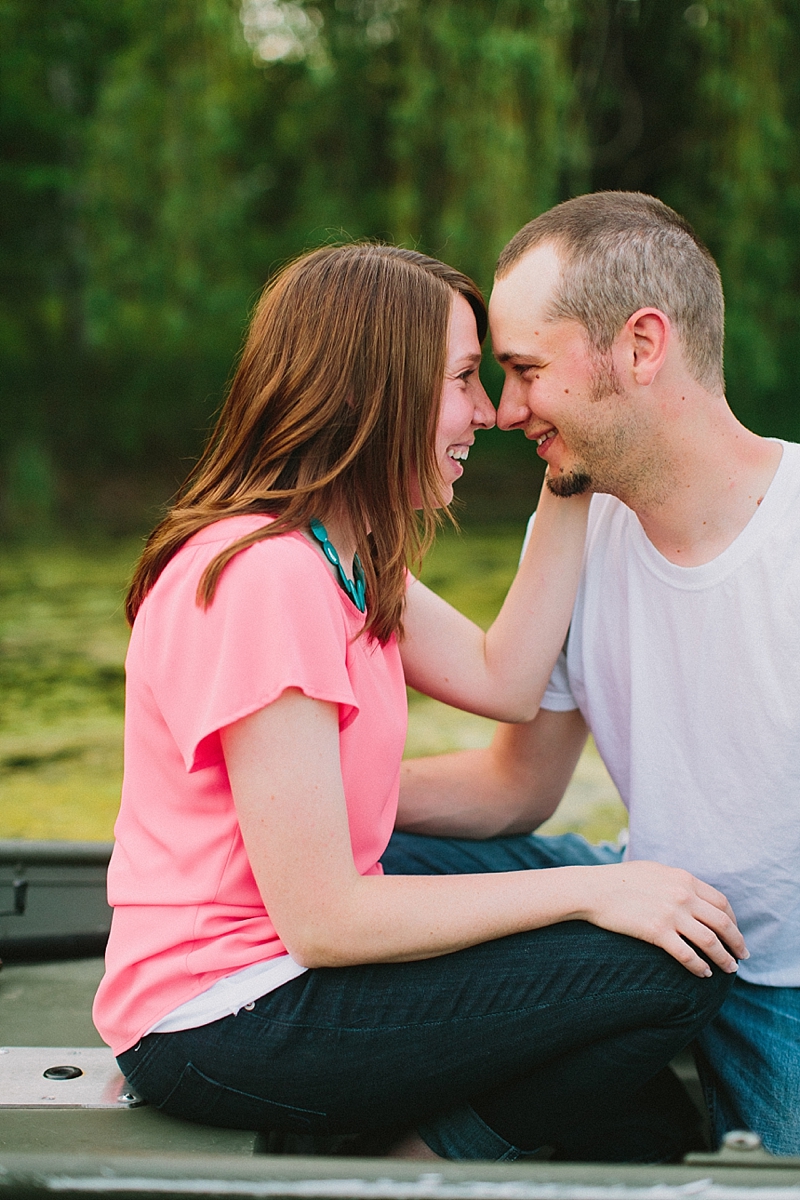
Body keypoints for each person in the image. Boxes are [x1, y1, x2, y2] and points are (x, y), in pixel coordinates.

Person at [93, 242, 742, 1164]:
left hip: (286, 970)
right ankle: (421, 1162)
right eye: (466, 379)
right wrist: (600, 889)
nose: (490, 412)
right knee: (663, 970)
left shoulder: (346, 556)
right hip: (224, 1015)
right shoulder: (265, 576)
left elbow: (505, 682)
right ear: (375, 391)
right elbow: (326, 921)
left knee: (643, 1121)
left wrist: (573, 468)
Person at [395, 193, 800, 1156]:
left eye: (527, 369)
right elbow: (515, 788)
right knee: (352, 867)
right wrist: (312, 800)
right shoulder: (575, 524)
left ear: (641, 345)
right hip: (637, 913)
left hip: (782, 982)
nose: (503, 409)